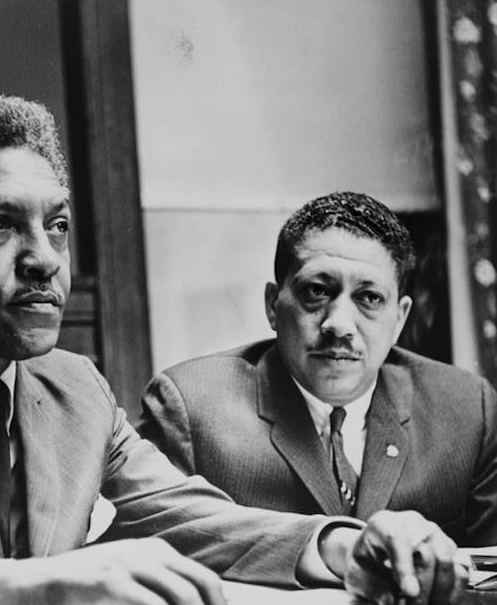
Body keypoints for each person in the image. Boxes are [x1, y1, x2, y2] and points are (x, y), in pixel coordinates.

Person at [0, 100, 466, 605]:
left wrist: (347, 545)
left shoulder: (72, 385)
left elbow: (191, 516)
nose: (46, 259)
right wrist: (6, 588)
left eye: (57, 225)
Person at [139, 191, 497, 548]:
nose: (339, 324)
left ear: (399, 319)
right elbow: (151, 557)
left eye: (369, 298)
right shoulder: (190, 408)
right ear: (272, 306)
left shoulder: (467, 410)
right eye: (317, 291)